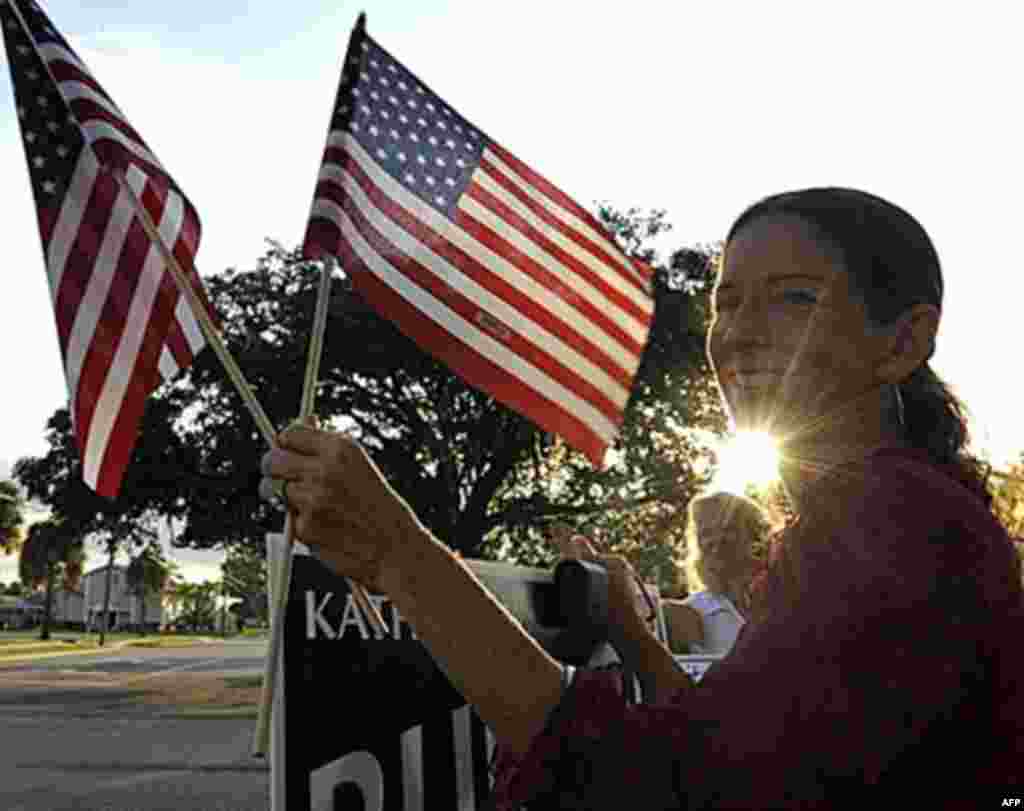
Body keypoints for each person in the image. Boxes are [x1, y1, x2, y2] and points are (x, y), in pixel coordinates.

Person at [260, 187, 1024, 805]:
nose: (740, 333)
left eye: (794, 298)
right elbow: (745, 736)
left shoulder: (899, 523)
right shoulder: (880, 511)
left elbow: (676, 784)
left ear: (902, 341)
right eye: (727, 302)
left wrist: (397, 551)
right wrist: (630, 631)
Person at [666, 491, 771, 657]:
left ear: (755, 536)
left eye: (727, 529)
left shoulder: (784, 597)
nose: (714, 541)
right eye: (705, 533)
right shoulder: (690, 612)